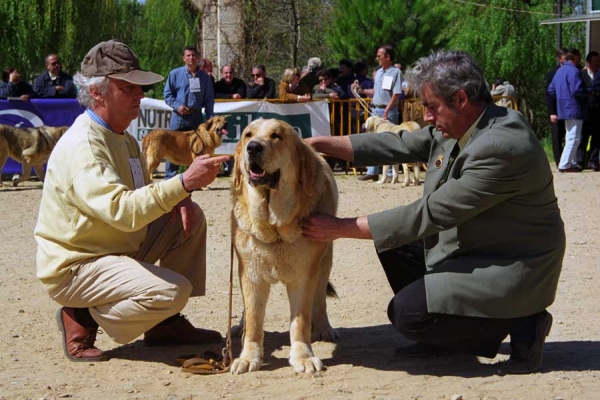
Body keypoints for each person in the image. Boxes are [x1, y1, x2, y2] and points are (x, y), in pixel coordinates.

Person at [303, 50, 565, 375]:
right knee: (394, 242)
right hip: (477, 245)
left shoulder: (501, 147)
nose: (426, 116)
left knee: (409, 314)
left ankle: (525, 323)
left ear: (460, 99)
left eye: (431, 106)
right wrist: (320, 143)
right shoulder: (462, 124)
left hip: (512, 263)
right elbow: (397, 144)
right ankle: (448, 332)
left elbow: (429, 214)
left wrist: (337, 227)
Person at [34, 40, 229, 362]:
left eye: (140, 87)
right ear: (97, 92)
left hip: (111, 247)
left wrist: (178, 196)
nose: (141, 95)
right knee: (171, 291)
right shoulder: (85, 146)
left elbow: (140, 191)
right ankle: (80, 316)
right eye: (129, 88)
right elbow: (123, 211)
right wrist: (182, 182)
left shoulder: (121, 136)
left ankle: (163, 324)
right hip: (77, 264)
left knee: (187, 217)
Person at [352, 44, 404, 181]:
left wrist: (386, 111)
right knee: (372, 140)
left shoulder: (396, 73)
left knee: (390, 142)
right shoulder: (379, 72)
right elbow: (376, 91)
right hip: (375, 109)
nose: (377, 58)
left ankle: (392, 174)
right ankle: (372, 171)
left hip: (388, 111)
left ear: (388, 57)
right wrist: (362, 91)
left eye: (380, 56)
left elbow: (396, 94)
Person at [163, 46, 215, 179]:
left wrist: (210, 118)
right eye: (188, 55)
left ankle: (194, 178)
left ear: (197, 58)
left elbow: (209, 99)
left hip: (196, 116)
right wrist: (178, 106)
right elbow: (168, 95)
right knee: (173, 146)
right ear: (183, 58)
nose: (191, 58)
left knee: (197, 148)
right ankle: (170, 178)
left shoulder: (204, 77)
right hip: (179, 116)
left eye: (193, 55)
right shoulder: (175, 74)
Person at [548, 48, 588, 173]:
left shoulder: (559, 71)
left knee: (570, 135)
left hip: (563, 107)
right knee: (574, 137)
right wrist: (588, 91)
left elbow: (551, 90)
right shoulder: (573, 70)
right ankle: (565, 163)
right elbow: (577, 89)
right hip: (574, 107)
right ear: (575, 57)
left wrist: (561, 97)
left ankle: (571, 161)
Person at [576, 51, 600, 171]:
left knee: (596, 137)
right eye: (595, 62)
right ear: (588, 63)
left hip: (597, 111)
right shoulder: (581, 74)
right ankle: (580, 161)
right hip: (585, 111)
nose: (597, 64)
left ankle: (593, 161)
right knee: (582, 137)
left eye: (598, 62)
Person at [546, 48, 568, 168]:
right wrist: (552, 112)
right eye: (565, 58)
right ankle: (559, 161)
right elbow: (549, 94)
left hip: (569, 110)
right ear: (559, 59)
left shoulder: (577, 70)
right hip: (557, 110)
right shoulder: (552, 73)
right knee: (557, 136)